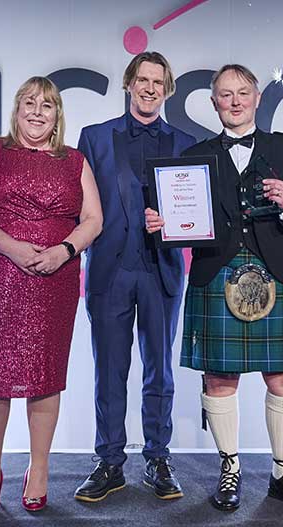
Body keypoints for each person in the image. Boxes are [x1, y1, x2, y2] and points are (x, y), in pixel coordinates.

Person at [146, 64, 283, 513]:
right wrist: (163, 225)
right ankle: (230, 469)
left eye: (243, 92)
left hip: (273, 271)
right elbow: (186, 220)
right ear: (214, 103)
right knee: (220, 379)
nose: (235, 101)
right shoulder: (195, 153)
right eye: (226, 95)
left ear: (258, 96)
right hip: (215, 272)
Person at [0, 76, 102, 517]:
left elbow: (93, 219)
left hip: (54, 280)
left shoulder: (74, 161)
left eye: (48, 106)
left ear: (58, 116)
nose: (38, 111)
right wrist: (12, 247)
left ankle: (39, 469)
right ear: (16, 110)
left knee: (44, 374)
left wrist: (64, 250)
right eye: (29, 103)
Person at [73, 51, 196, 503]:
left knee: (160, 372)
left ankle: (158, 458)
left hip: (162, 270)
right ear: (129, 84)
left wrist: (175, 222)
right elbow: (80, 206)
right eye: (142, 80)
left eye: (157, 82)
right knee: (109, 370)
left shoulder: (186, 143)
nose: (149, 88)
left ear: (167, 89)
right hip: (110, 268)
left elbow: (194, 214)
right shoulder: (94, 138)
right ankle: (109, 462)